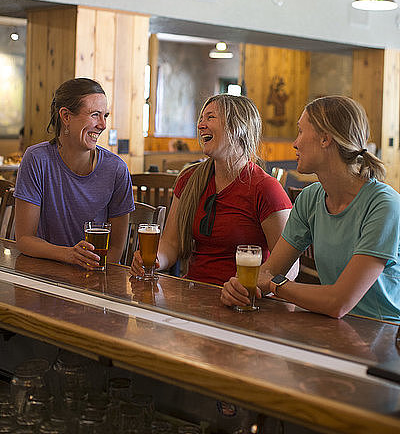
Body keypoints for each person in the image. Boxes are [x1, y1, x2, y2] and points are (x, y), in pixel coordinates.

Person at [221, 95, 400, 323]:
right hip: (334, 328)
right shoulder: (310, 198)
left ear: (325, 139)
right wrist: (240, 289)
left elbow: (338, 302)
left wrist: (276, 285)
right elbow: (268, 272)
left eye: (301, 132)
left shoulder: (384, 205)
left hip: (384, 336)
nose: (295, 143)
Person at [131, 94, 294, 286]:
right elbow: (170, 244)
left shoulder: (266, 188)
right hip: (193, 293)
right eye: (201, 119)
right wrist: (154, 259)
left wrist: (251, 289)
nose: (201, 125)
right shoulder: (189, 179)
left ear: (237, 128)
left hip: (243, 300)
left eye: (210, 117)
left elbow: (290, 269)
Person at [14, 78, 134, 269]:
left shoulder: (116, 169)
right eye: (95, 115)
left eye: (105, 116)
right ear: (66, 116)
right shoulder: (36, 159)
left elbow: (116, 250)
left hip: (97, 278)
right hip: (47, 275)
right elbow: (24, 239)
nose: (103, 125)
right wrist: (68, 255)